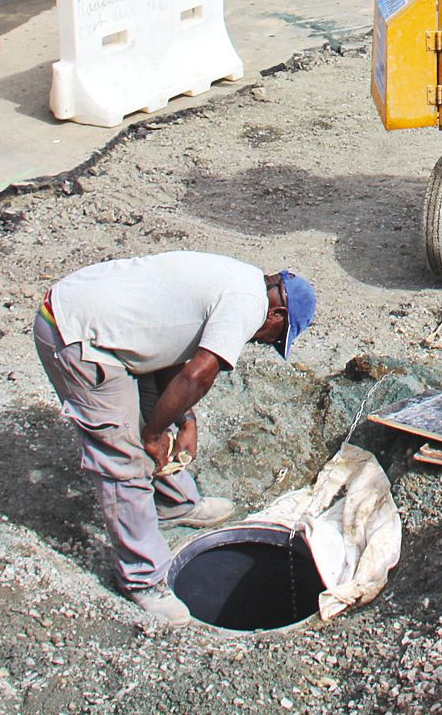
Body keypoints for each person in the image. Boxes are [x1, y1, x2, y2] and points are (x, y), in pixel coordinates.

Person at [33, 251, 318, 625]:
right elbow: (198, 375)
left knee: (159, 410)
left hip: (108, 328)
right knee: (124, 457)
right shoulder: (247, 305)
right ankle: (142, 579)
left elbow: (172, 348)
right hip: (78, 336)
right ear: (276, 315)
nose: (262, 343)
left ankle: (174, 505)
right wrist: (151, 434)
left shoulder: (241, 280)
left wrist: (185, 420)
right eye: (272, 338)